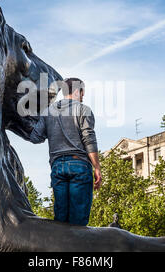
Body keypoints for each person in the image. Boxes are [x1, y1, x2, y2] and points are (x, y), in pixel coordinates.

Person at [29, 77, 102, 226]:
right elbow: (89, 139)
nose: (83, 96)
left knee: (61, 221)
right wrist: (97, 167)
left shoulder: (48, 111)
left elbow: (35, 137)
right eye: (82, 93)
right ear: (77, 91)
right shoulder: (83, 109)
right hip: (79, 166)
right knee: (78, 223)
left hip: (57, 168)